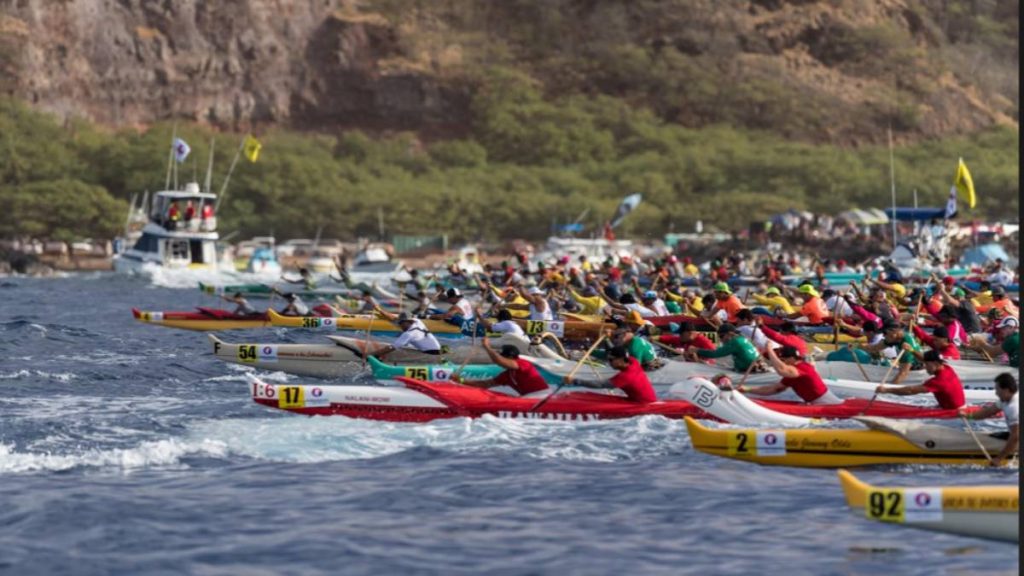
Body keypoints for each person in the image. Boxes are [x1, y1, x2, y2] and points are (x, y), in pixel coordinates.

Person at [734, 345, 843, 405]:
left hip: (827, 403)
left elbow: (781, 369)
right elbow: (773, 389)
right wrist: (747, 389)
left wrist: (770, 351)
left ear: (791, 358)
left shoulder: (803, 368)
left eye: (783, 359)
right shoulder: (792, 374)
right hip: (815, 402)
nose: (782, 361)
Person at [959, 373, 1019, 467]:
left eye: (997, 389)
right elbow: (987, 412)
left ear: (1006, 390)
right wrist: (968, 416)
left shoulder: (1014, 407)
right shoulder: (1005, 400)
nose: (996, 393)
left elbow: (1015, 437)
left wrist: (999, 458)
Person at [875, 349, 965, 410]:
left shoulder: (939, 381)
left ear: (936, 363)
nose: (925, 367)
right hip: (956, 407)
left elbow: (911, 391)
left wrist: (886, 390)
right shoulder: (946, 367)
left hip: (954, 414)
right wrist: (911, 350)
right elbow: (926, 359)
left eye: (927, 365)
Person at [563, 345, 657, 403]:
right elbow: (619, 350)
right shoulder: (633, 361)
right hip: (640, 400)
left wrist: (575, 381)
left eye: (611, 360)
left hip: (642, 404)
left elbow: (600, 384)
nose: (609, 362)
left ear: (620, 359)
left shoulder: (626, 376)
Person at [457, 337, 549, 396]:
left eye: (502, 356)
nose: (500, 357)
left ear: (510, 357)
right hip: (529, 398)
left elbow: (498, 361)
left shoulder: (523, 363)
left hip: (542, 396)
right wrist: (460, 380)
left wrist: (487, 347)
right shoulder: (507, 375)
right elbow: (484, 384)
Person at [687, 323, 760, 373]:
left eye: (722, 336)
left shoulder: (735, 342)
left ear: (730, 334)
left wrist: (697, 350)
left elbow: (715, 354)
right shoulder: (741, 338)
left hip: (749, 371)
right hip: (754, 366)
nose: (721, 340)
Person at [373, 312, 441, 358]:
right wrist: (383, 313)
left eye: (401, 324)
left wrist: (372, 356)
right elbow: (395, 319)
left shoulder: (409, 334)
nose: (400, 326)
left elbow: (391, 348)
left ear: (407, 322)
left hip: (431, 354)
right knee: (406, 345)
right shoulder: (418, 321)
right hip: (438, 349)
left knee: (397, 347)